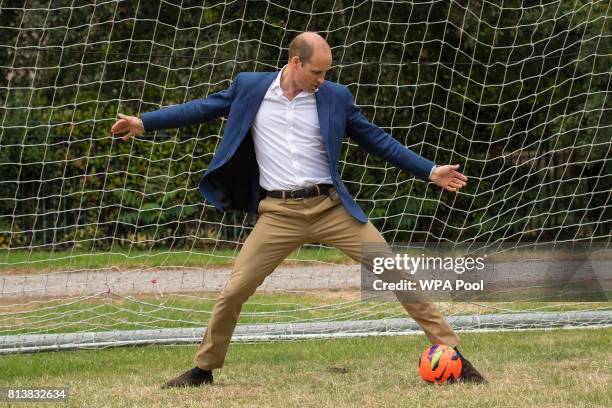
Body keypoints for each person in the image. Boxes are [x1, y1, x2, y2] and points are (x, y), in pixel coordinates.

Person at [111, 32, 485, 387]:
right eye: (317, 72)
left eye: (326, 73)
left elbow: (376, 139)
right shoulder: (251, 87)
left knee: (395, 273)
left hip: (331, 209)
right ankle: (202, 371)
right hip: (279, 213)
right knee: (234, 291)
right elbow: (202, 109)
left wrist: (430, 170)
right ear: (295, 62)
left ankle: (454, 354)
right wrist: (145, 122)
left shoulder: (334, 96)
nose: (323, 79)